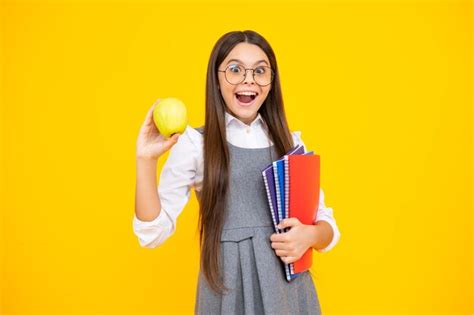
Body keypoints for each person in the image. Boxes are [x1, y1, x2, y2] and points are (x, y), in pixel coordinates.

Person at [133, 30, 341, 315]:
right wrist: (145, 160)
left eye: (260, 71)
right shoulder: (197, 144)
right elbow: (152, 232)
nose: (248, 79)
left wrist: (310, 236)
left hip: (289, 296)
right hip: (228, 293)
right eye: (235, 69)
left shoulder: (291, 143)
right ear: (217, 79)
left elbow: (327, 225)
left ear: (271, 81)